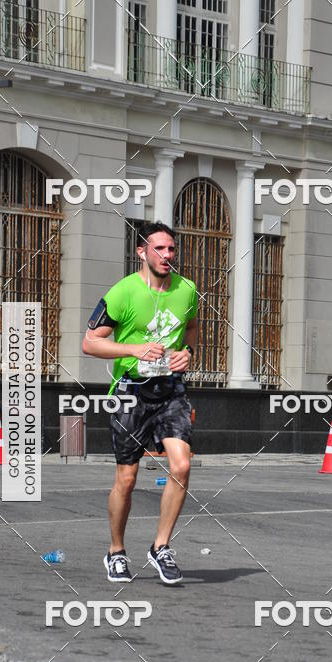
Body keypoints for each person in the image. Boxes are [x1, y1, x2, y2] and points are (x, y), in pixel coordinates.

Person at [82, 222, 198, 585]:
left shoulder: (187, 289)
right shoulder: (123, 293)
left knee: (181, 465)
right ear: (142, 252)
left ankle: (161, 546)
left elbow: (192, 327)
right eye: (160, 249)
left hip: (171, 391)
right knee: (127, 478)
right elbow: (90, 342)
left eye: (172, 250)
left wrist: (188, 352)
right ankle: (116, 551)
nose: (167, 256)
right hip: (130, 390)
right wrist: (133, 348)